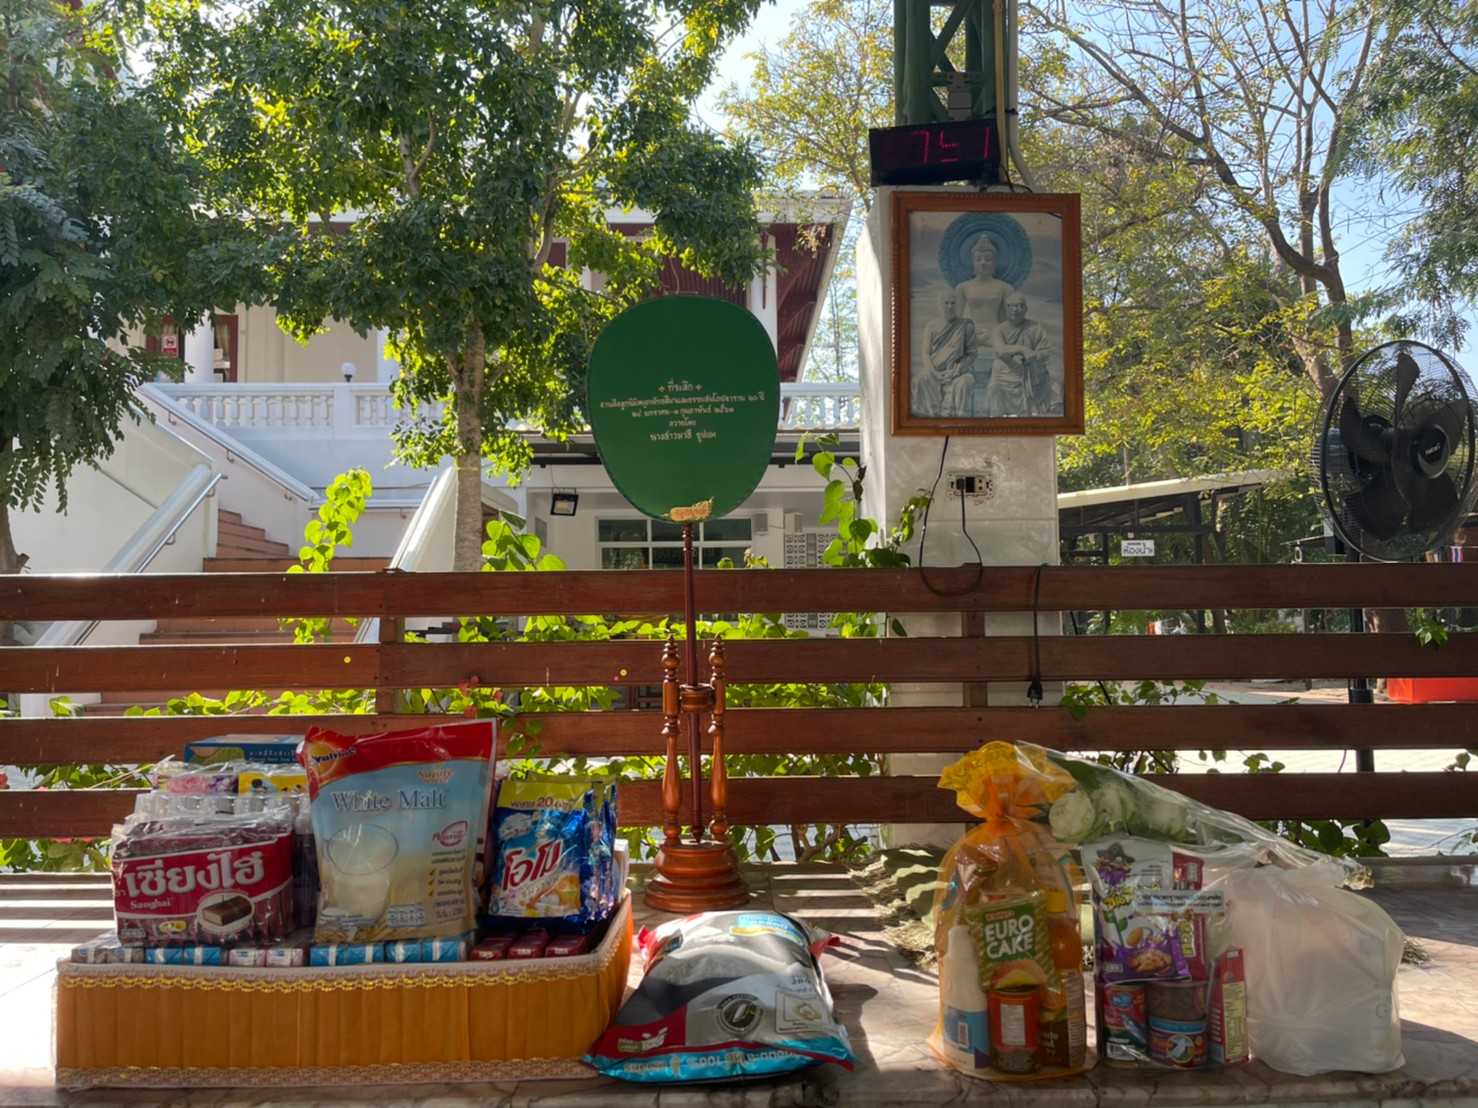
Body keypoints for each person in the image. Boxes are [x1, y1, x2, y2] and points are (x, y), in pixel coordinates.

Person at [983, 292, 1053, 417]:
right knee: (994, 388)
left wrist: (1034, 356)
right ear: (1006, 309)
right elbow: (1001, 350)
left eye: (1019, 306)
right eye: (1010, 306)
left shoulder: (1035, 327)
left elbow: (1045, 351)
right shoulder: (998, 329)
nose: (1014, 309)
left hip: (1027, 374)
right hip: (1003, 375)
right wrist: (1023, 349)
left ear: (1026, 309)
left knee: (1045, 389)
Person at [916, 289, 977, 417]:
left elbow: (971, 354)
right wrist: (935, 373)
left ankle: (958, 420)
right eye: (946, 303)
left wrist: (956, 371)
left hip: (958, 372)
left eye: (953, 303)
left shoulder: (966, 325)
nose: (950, 306)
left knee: (966, 382)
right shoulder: (931, 326)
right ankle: (931, 417)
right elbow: (926, 353)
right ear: (940, 305)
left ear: (957, 306)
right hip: (935, 371)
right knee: (920, 379)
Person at [954, 236, 1014, 343]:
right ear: (973, 262)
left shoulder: (1005, 288)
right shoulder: (962, 287)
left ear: (994, 262)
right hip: (972, 334)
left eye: (988, 259)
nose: (983, 263)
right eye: (978, 259)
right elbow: (956, 320)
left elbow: (1011, 321)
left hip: (996, 334)